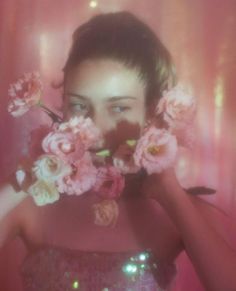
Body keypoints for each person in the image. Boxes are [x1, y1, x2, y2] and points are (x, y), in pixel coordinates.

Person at [1, 11, 236, 291]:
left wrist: (171, 194)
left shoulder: (174, 211)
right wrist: (27, 176)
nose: (96, 127)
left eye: (118, 108)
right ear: (62, 105)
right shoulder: (32, 203)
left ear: (150, 111)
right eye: (79, 105)